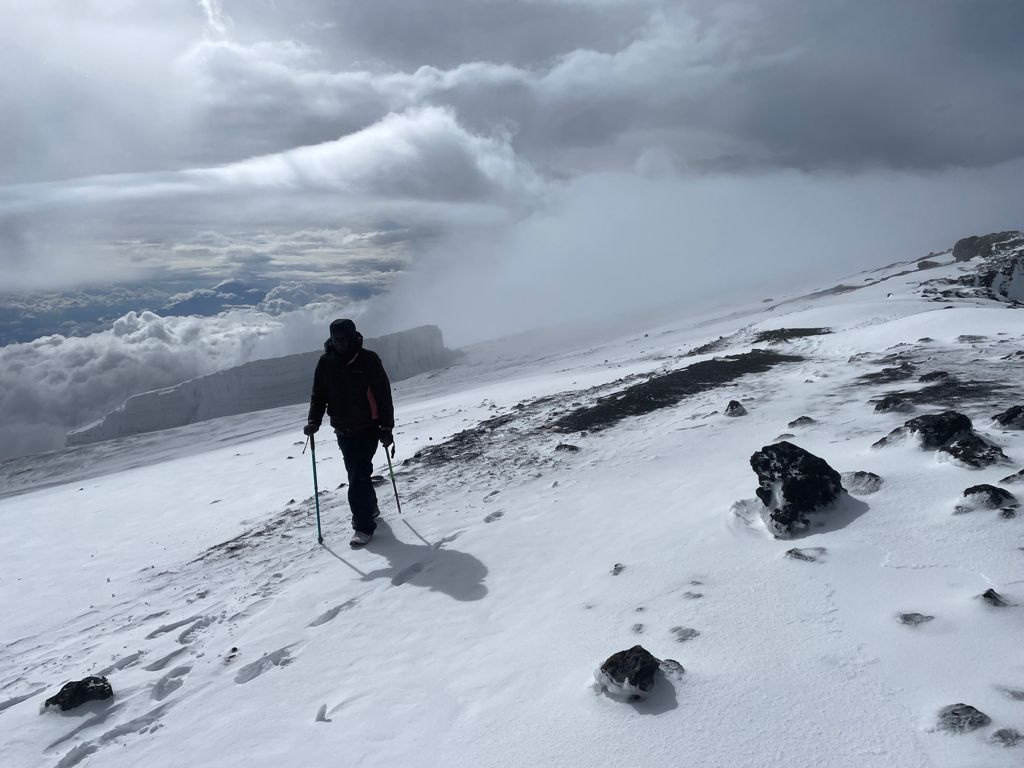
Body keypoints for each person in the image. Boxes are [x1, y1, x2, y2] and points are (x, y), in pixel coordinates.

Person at [304, 319, 395, 547]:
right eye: (336, 339)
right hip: (342, 430)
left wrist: (386, 428)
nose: (340, 343)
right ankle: (370, 508)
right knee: (356, 474)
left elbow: (383, 395)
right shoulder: (325, 362)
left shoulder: (368, 360)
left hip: (368, 428)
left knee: (358, 475)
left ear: (353, 336)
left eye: (343, 339)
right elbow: (319, 395)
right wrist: (313, 421)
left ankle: (363, 527)